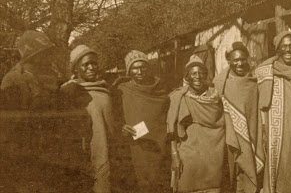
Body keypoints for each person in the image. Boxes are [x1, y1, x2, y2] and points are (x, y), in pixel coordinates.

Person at [254, 31, 291, 193]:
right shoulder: (267, 71)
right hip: (277, 128)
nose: (288, 49)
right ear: (278, 49)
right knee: (277, 163)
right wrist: (264, 128)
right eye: (284, 46)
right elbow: (259, 103)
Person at [167, 55, 225, 193]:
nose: (197, 76)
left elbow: (223, 124)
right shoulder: (178, 98)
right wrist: (174, 155)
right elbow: (172, 131)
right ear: (187, 76)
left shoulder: (216, 97)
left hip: (213, 156)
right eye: (193, 73)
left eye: (201, 73)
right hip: (189, 156)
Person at [113, 50, 169, 192]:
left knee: (161, 182)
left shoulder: (161, 89)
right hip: (136, 147)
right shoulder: (122, 90)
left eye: (142, 66)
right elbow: (115, 117)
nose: (139, 71)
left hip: (160, 145)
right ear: (128, 70)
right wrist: (122, 127)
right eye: (134, 67)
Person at [60, 45, 114, 193]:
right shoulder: (68, 91)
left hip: (106, 151)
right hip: (81, 153)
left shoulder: (105, 91)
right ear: (76, 68)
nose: (91, 67)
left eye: (94, 63)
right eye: (85, 64)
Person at [213, 42, 263, 193]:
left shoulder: (254, 81)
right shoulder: (220, 83)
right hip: (229, 138)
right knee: (232, 176)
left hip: (252, 133)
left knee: (250, 170)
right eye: (235, 60)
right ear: (229, 61)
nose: (239, 63)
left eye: (242, 59)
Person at [0, 30, 60, 110]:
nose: (50, 56)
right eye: (45, 53)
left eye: (49, 52)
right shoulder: (13, 78)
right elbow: (11, 117)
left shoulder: (51, 74)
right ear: (32, 55)